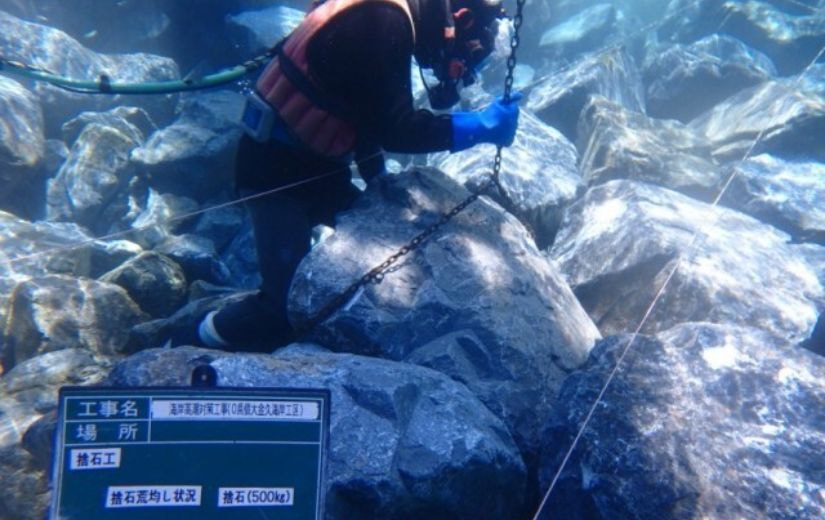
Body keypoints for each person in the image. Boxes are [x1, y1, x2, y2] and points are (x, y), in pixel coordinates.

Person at [192, 0, 522, 351]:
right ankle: (188, 341)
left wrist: (378, 183)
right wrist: (479, 127)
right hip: (274, 176)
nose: (447, 71)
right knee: (284, 311)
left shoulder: (389, 18)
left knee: (389, 251)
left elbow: (363, 105)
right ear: (461, 19)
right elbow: (396, 129)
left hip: (319, 170)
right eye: (457, 63)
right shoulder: (383, 21)